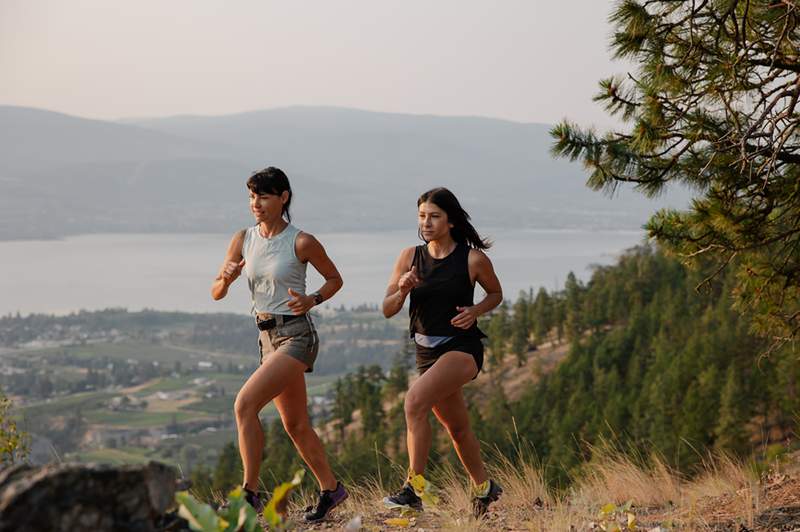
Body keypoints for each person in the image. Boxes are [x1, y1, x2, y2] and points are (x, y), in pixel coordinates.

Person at [211, 167, 347, 522]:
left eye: (264, 196)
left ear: (283, 197)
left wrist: (312, 299)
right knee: (296, 425)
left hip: (296, 336)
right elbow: (216, 292)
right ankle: (332, 490)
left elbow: (335, 279)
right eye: (252, 196)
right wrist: (225, 279)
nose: (256, 203)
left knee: (244, 405)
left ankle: (249, 494)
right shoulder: (243, 238)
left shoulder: (302, 241)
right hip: (266, 339)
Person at [381, 187, 504, 518]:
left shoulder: (473, 259)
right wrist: (403, 288)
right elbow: (388, 308)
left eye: (434, 216)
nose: (427, 222)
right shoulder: (409, 257)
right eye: (422, 216)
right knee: (457, 429)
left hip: (462, 349)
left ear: (450, 221)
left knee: (413, 402)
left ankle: (413, 488)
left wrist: (476, 310)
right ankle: (484, 488)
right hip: (426, 353)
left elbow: (496, 293)